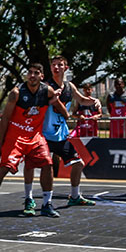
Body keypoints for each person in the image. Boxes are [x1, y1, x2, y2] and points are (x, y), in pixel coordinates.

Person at [0, 63, 69, 220]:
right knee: (4, 168)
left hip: (35, 137)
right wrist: (1, 143)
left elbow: (56, 103)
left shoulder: (47, 91)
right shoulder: (16, 93)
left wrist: (65, 113)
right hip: (16, 137)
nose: (32, 75)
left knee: (47, 164)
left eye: (36, 73)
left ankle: (47, 204)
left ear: (41, 76)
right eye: (30, 72)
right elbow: (5, 118)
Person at [37, 56, 101, 209]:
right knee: (46, 167)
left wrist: (95, 101)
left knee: (79, 164)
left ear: (66, 67)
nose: (56, 67)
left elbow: (83, 100)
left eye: (60, 65)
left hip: (60, 134)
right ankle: (40, 200)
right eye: (53, 65)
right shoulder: (46, 86)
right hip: (44, 134)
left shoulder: (69, 86)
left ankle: (74, 196)